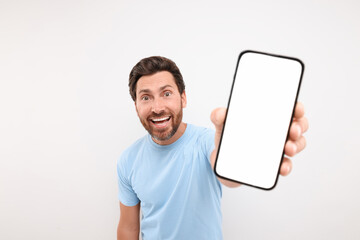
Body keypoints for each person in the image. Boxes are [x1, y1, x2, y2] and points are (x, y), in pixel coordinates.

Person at [116, 56, 308, 240]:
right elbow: (129, 227)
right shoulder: (128, 160)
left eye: (166, 94)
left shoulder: (207, 141)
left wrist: (242, 155)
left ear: (183, 98)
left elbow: (228, 176)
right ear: (136, 106)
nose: (157, 107)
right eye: (146, 98)